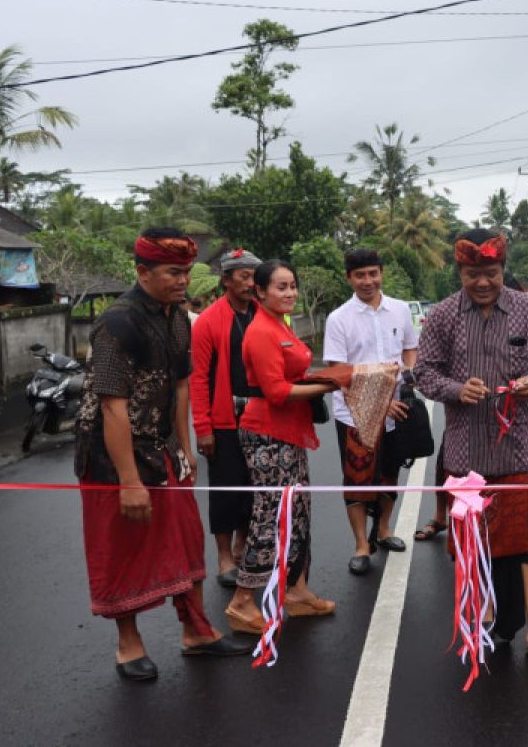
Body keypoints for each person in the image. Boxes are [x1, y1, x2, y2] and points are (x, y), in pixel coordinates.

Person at [75, 227, 247, 681]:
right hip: (111, 458)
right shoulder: (116, 323)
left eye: (187, 272)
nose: (183, 280)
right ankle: (128, 643)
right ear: (142, 271)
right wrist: (129, 482)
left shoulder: (176, 317)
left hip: (163, 448)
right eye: (174, 272)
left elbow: (180, 386)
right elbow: (111, 406)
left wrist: (186, 449)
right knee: (122, 547)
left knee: (186, 537)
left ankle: (195, 630)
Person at [415, 229, 528, 649]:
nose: (482, 283)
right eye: (473, 274)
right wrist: (457, 390)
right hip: (465, 450)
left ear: (503, 270)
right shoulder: (441, 316)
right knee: (473, 540)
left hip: (522, 447)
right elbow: (424, 372)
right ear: (460, 271)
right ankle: (485, 614)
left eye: (492, 273)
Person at [224, 260, 339, 634]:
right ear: (259, 292)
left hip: (287, 433)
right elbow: (276, 392)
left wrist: (324, 379)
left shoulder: (280, 324)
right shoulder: (260, 331)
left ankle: (296, 590)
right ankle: (242, 602)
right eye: (280, 287)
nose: (289, 293)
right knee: (270, 516)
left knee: (297, 513)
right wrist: (329, 385)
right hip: (267, 435)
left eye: (293, 285)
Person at [324, 248, 418, 576]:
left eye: (373, 273)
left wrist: (408, 374)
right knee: (358, 478)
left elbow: (410, 348)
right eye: (360, 275)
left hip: (397, 409)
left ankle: (385, 530)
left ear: (381, 273)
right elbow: (339, 372)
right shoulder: (338, 319)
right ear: (348, 278)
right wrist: (378, 402)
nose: (368, 281)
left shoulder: (401, 310)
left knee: (391, 471)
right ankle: (362, 544)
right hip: (354, 414)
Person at [190, 247, 263, 588]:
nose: (251, 283)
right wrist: (202, 427)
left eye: (254, 276)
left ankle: (243, 544)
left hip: (261, 417)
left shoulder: (264, 313)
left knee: (253, 486)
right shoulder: (208, 321)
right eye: (244, 276)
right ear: (226, 280)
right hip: (224, 421)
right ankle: (223, 556)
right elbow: (198, 377)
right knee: (224, 490)